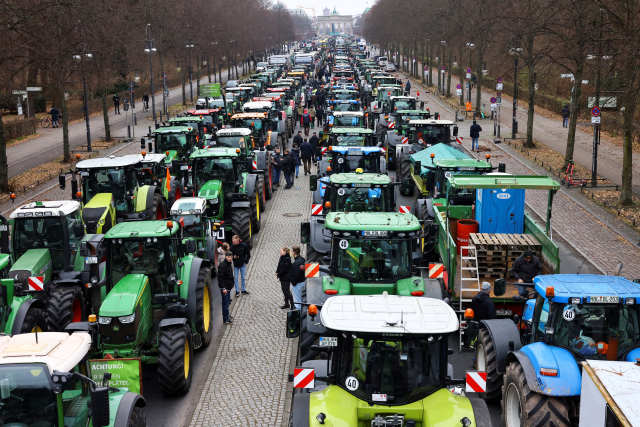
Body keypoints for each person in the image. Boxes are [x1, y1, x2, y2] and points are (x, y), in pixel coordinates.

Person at [465, 282, 496, 347]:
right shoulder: (489, 302)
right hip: (485, 328)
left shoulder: (474, 299)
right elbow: (492, 316)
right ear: (489, 290)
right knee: (483, 346)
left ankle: (475, 356)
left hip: (476, 327)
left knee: (476, 345)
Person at [218, 251, 235, 324]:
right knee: (225, 304)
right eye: (228, 257)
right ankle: (226, 319)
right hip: (225, 288)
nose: (230, 259)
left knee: (227, 303)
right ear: (225, 257)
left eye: (231, 257)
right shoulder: (222, 265)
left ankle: (227, 315)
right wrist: (223, 288)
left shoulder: (229, 264)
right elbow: (220, 278)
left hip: (228, 286)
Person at [290, 246, 306, 310]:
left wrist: (293, 283)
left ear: (293, 253)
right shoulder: (302, 259)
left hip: (298, 284)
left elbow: (296, 275)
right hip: (302, 282)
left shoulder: (296, 263)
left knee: (297, 302)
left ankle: (298, 315)